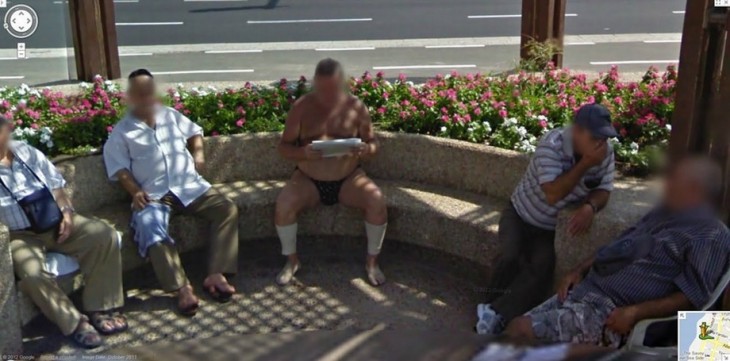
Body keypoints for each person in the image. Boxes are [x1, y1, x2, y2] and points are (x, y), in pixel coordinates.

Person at [505, 156, 730, 348]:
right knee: (513, 332)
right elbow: (619, 245)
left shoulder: (710, 234)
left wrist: (634, 313)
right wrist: (577, 270)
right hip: (587, 291)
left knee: (520, 331)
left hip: (613, 316)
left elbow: (692, 298)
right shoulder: (664, 213)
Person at [103, 69, 239, 316]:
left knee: (226, 208)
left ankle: (216, 273)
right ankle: (181, 287)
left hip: (188, 186)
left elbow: (195, 132)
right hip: (155, 194)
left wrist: (198, 153)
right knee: (149, 226)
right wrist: (134, 191)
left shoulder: (170, 115)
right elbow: (119, 168)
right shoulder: (122, 131)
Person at [476, 103, 617, 335]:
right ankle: (489, 304)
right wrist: (585, 164)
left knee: (542, 266)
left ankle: (495, 314)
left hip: (548, 227)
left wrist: (591, 207)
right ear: (578, 131)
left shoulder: (604, 152)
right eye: (597, 136)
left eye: (605, 136)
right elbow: (553, 193)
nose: (602, 142)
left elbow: (604, 189)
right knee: (509, 255)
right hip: (520, 213)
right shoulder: (552, 145)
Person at [0, 116, 126, 348]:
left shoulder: (26, 152)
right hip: (20, 235)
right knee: (32, 274)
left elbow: (57, 187)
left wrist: (67, 212)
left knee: (103, 235)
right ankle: (75, 323)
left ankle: (102, 306)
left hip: (56, 220)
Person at [274, 58, 388, 286]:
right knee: (284, 206)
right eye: (323, 89)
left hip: (348, 177)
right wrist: (304, 153)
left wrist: (366, 149)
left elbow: (374, 143)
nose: (328, 95)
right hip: (308, 178)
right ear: (315, 83)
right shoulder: (302, 108)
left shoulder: (356, 107)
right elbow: (284, 147)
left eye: (333, 89)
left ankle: (372, 262)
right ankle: (292, 261)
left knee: (376, 201)